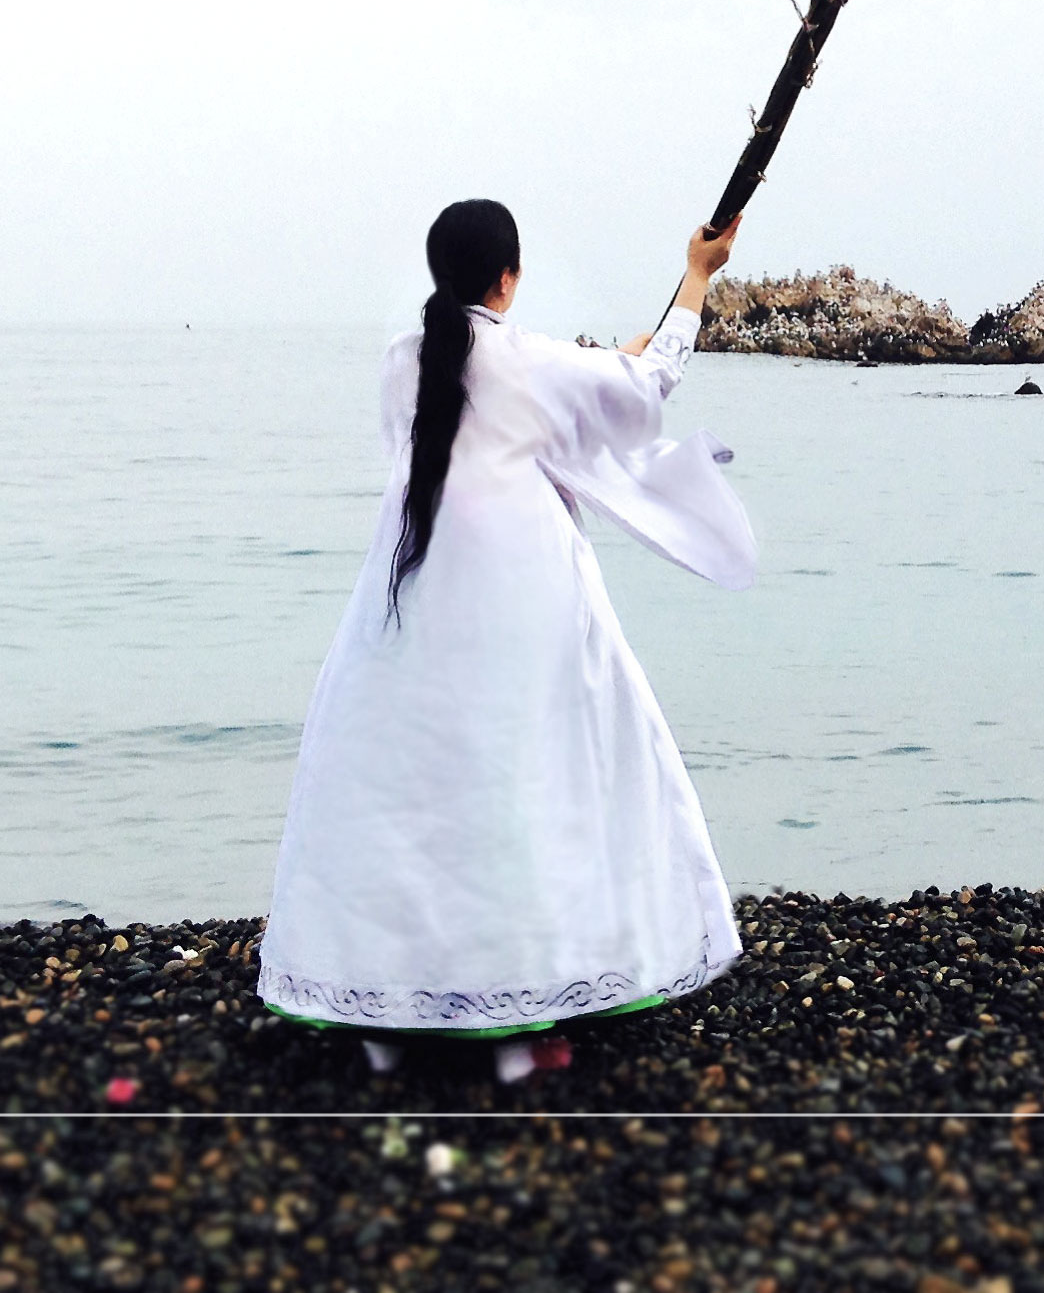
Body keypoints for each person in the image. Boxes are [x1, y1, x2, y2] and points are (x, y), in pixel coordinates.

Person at [257, 200, 753, 1078]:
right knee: (530, 776)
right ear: (508, 278)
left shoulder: (404, 360)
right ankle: (532, 988)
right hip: (523, 596)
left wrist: (600, 367)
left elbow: (480, 417)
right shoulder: (530, 360)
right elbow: (645, 392)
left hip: (409, 592)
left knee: (407, 789)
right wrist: (697, 275)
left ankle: (386, 993)